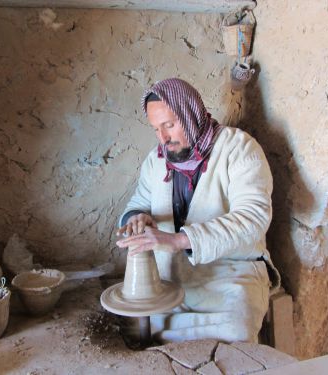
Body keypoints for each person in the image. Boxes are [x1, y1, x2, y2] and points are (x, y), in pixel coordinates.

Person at [116, 78, 280, 343]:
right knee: (142, 336)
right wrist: (137, 218)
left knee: (233, 333)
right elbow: (138, 202)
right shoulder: (156, 161)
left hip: (232, 276)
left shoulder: (239, 149)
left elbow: (253, 219)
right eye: (156, 129)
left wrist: (180, 240)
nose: (164, 138)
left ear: (190, 113)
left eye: (169, 125)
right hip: (172, 279)